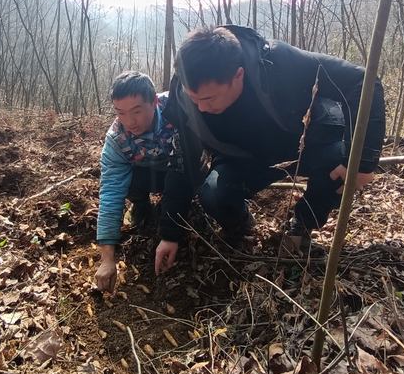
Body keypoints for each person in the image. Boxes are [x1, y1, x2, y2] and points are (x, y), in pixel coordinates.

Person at [154, 25, 386, 275]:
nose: (200, 107)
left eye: (209, 99)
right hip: (244, 158)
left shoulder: (277, 64)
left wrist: (362, 161)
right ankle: (241, 225)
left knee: (339, 164)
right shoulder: (183, 97)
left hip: (305, 144)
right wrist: (169, 235)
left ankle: (303, 224)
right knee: (213, 194)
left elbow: (363, 81)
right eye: (194, 98)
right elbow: (182, 162)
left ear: (238, 75)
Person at [95, 71, 177, 292]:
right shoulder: (116, 139)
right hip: (145, 175)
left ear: (154, 101)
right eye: (121, 113)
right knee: (126, 183)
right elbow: (111, 191)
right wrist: (107, 258)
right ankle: (142, 207)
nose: (129, 122)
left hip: (182, 171)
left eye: (137, 111)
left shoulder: (177, 108)